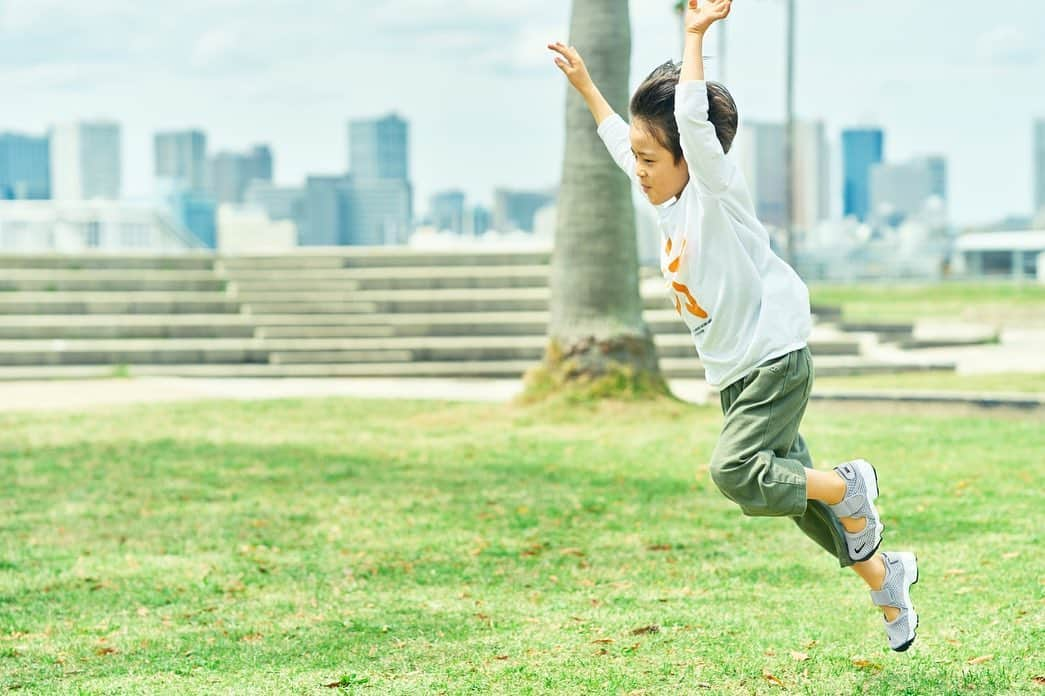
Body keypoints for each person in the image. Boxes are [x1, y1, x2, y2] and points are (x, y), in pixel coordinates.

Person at [547, 0, 918, 651]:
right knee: (800, 504)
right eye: (637, 160)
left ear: (690, 160)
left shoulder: (713, 194)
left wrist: (694, 36)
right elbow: (619, 141)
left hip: (771, 359)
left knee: (736, 471)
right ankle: (885, 578)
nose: (638, 172)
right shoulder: (663, 204)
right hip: (736, 377)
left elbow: (689, 121)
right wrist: (585, 87)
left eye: (651, 162)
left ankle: (848, 483)